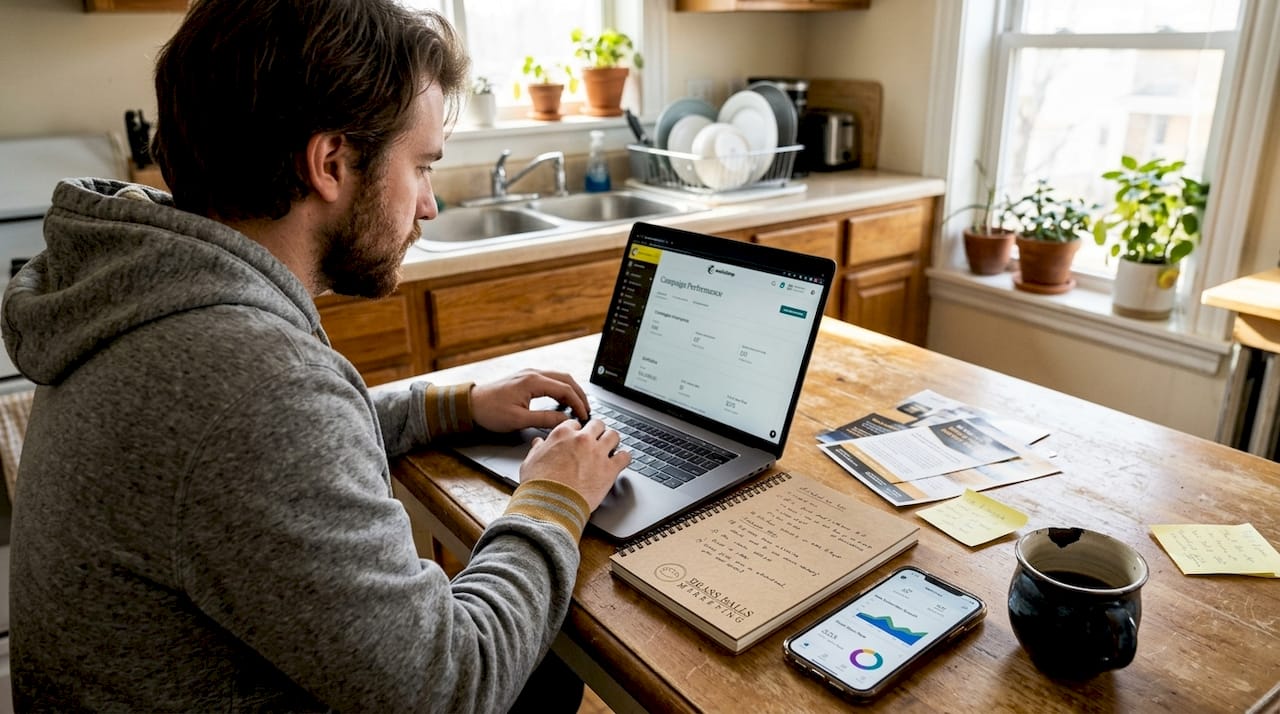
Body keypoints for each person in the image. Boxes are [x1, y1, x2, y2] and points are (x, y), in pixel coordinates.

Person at [1, 1, 629, 711]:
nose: (428, 206)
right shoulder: (253, 382)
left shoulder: (140, 292)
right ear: (331, 162)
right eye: (422, 166)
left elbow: (276, 451)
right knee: (541, 656)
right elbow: (454, 684)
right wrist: (555, 497)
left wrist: (450, 405)